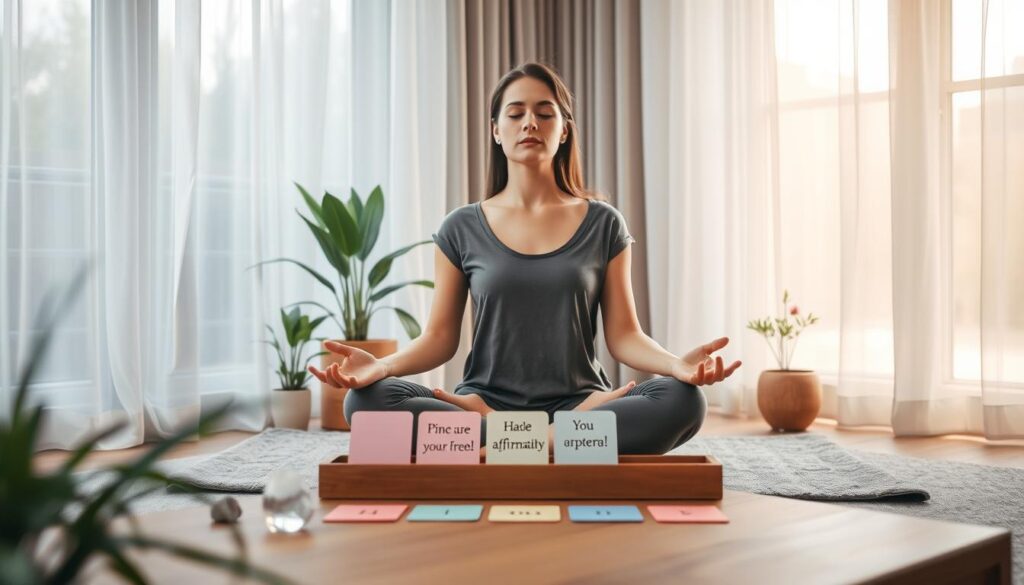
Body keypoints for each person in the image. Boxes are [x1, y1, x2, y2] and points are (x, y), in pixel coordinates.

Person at [308, 62, 741, 454]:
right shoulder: (461, 227)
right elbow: (439, 338)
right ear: (495, 129)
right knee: (365, 400)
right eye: (515, 113)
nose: (529, 122)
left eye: (544, 112)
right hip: (484, 405)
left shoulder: (604, 223)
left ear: (564, 130)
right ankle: (561, 444)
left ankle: (513, 441)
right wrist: (380, 367)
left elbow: (625, 336)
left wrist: (676, 365)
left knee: (683, 400)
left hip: (581, 406)